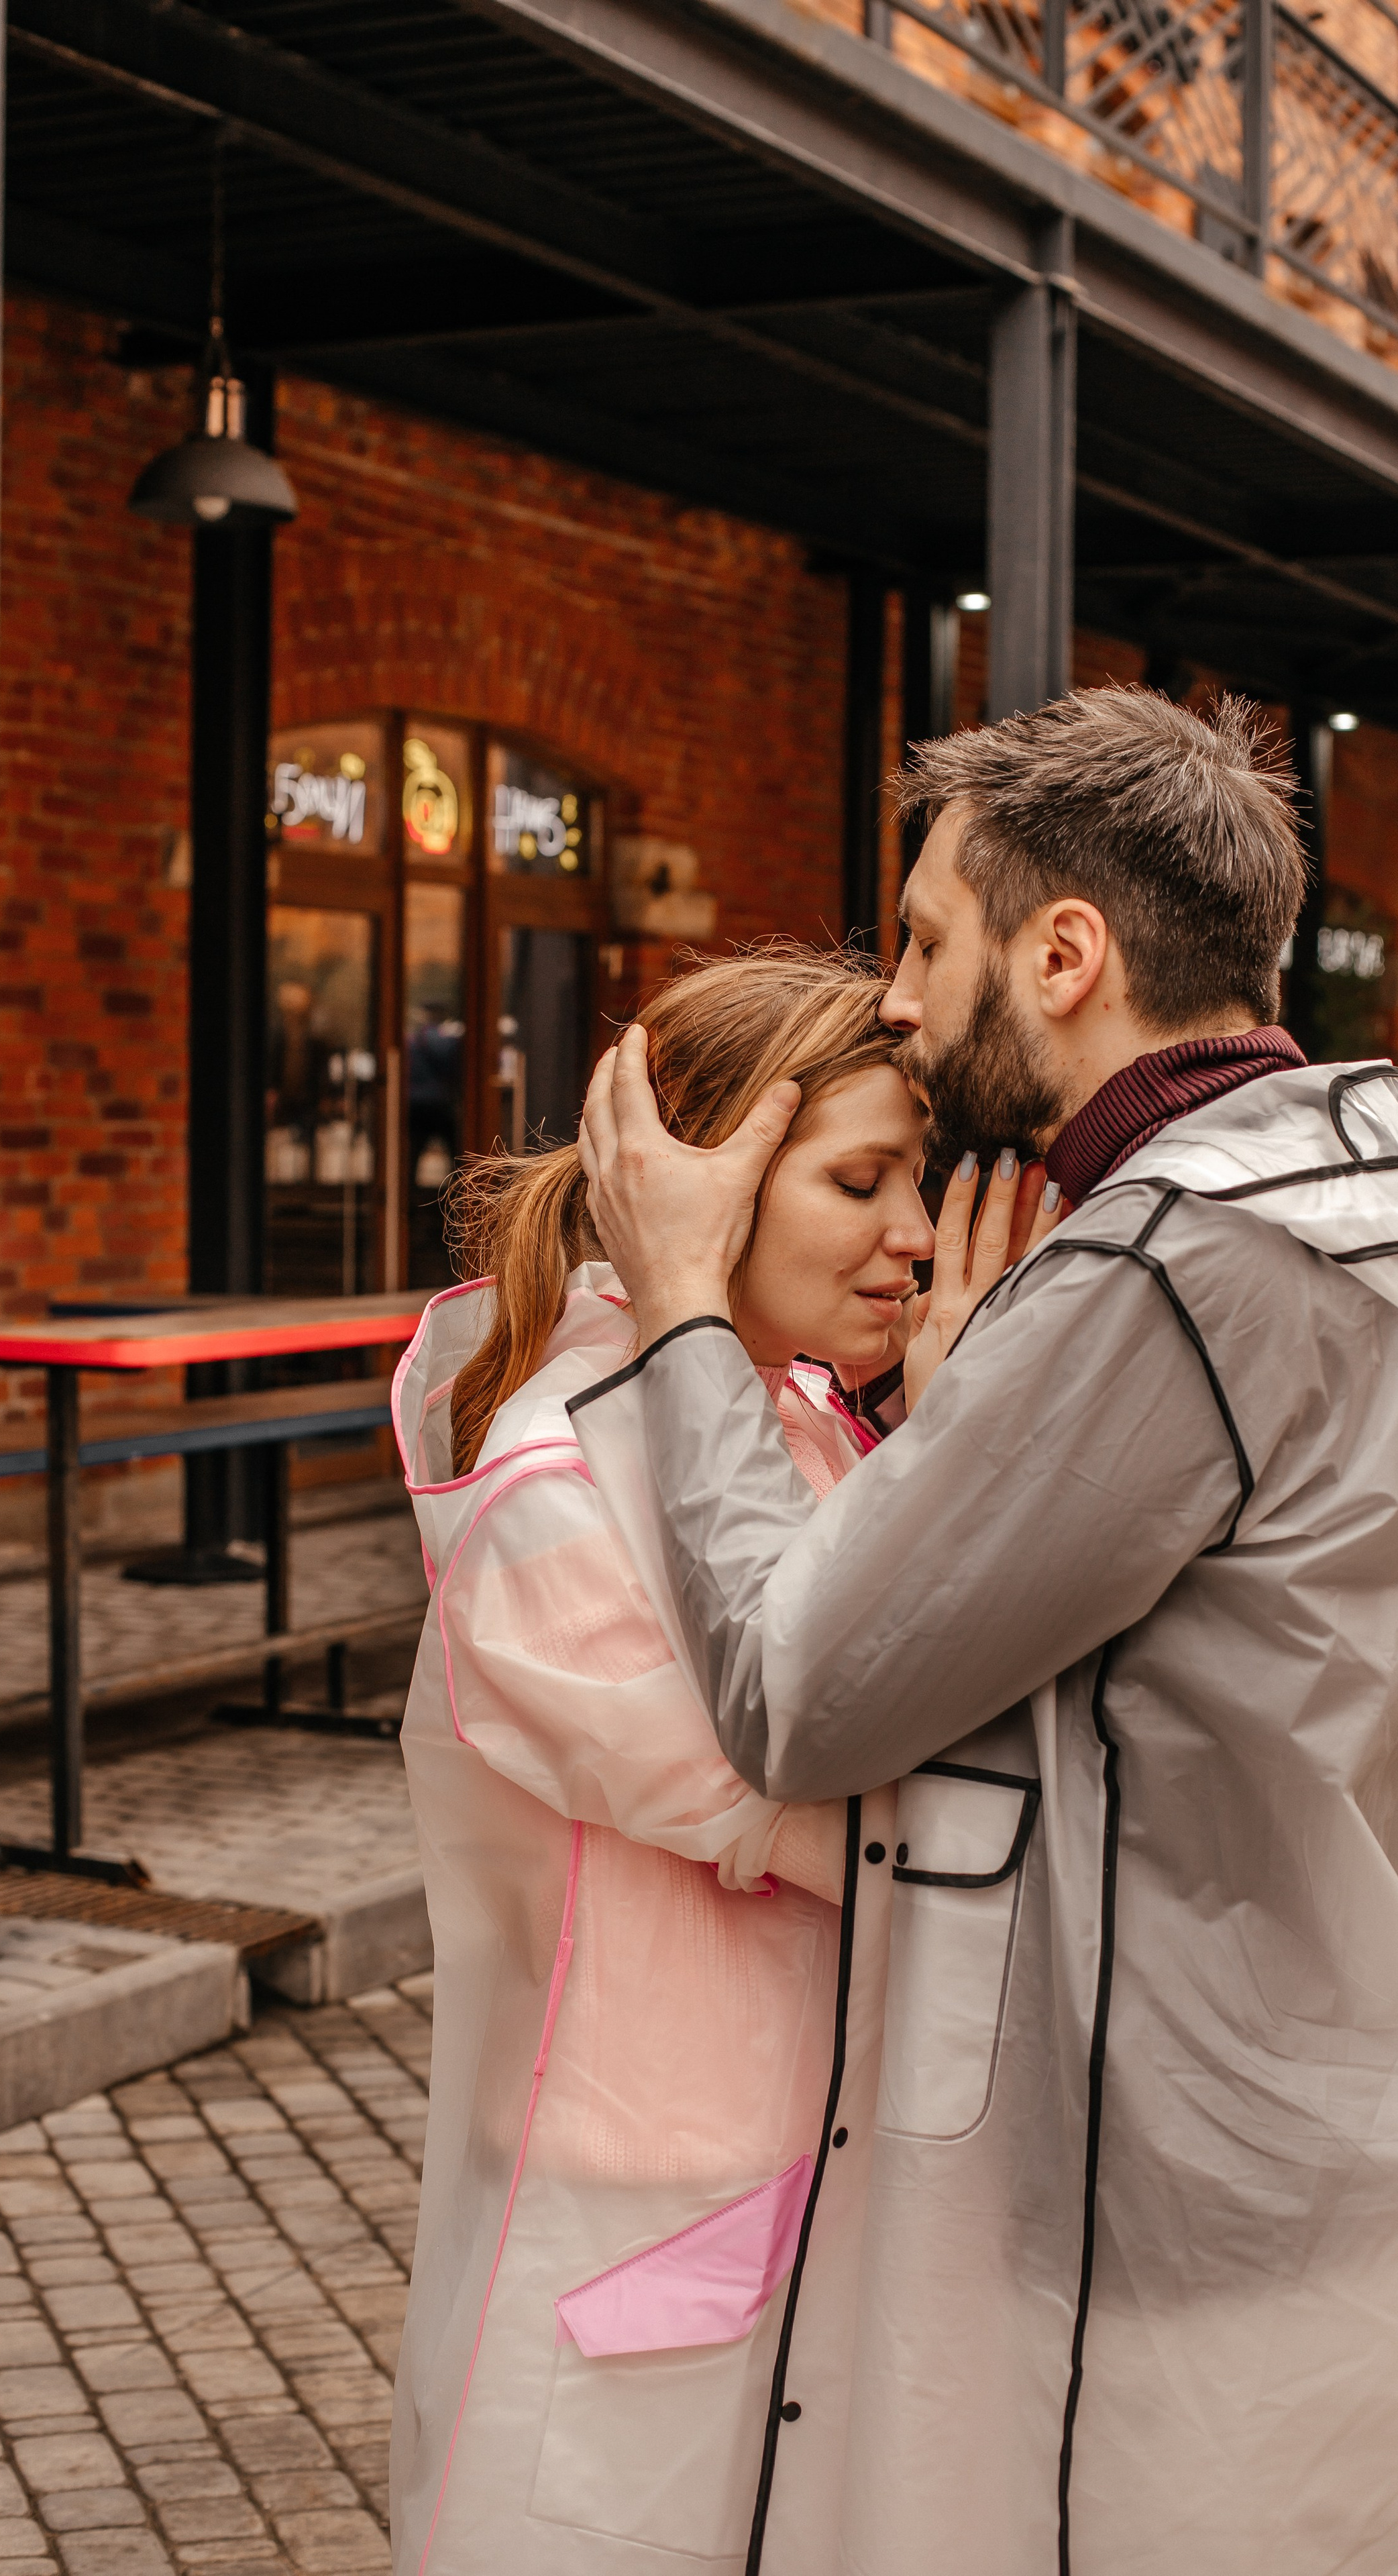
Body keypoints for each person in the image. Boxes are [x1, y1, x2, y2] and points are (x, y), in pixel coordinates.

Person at [572, 687, 1398, 2576]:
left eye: (931, 943)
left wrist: (687, 1306)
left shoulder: (1175, 1256)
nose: (895, 998)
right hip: (1340, 2089)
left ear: (1067, 952)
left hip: (1162, 2179)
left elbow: (798, 1696)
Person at [390, 947, 1017, 2576]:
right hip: (646, 2195)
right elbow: (815, 1804)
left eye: (920, 1182)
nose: (910, 1235)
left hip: (807, 2157)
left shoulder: (794, 1412)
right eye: (859, 1180)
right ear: (702, 1187)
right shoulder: (546, 1483)